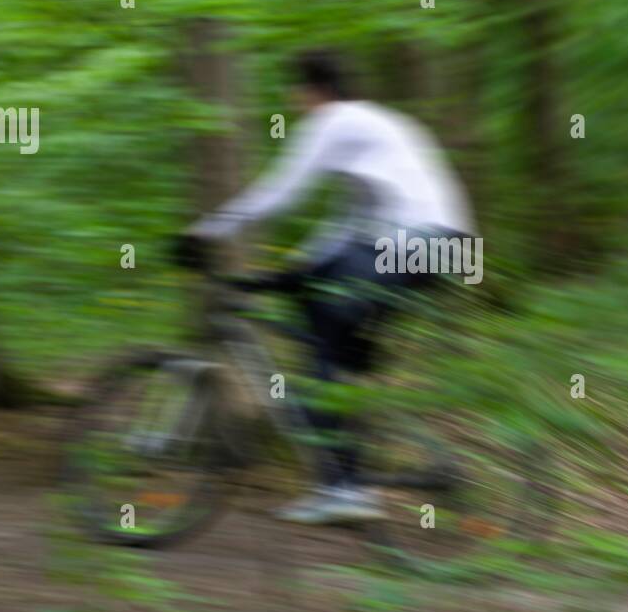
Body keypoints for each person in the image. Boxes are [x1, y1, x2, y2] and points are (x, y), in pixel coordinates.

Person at [186, 51, 476, 524]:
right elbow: (349, 221)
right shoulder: (377, 125)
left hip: (412, 242)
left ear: (309, 92)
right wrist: (294, 271)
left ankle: (344, 487)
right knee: (328, 338)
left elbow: (282, 191)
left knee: (321, 347)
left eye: (296, 96)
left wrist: (205, 231)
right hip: (448, 247)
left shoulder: (333, 121)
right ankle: (348, 471)